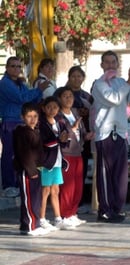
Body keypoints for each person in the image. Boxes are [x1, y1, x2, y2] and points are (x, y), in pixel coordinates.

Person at [90, 50, 130, 223]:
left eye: (113, 62)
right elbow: (115, 99)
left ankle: (117, 208)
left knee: (121, 175)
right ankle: (105, 210)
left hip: (120, 132)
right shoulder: (98, 84)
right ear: (102, 65)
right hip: (105, 133)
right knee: (106, 174)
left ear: (118, 65)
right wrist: (129, 82)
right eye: (107, 62)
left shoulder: (121, 82)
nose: (110, 65)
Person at [0, 56, 49, 197]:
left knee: (22, 154)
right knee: (10, 154)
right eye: (13, 66)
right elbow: (22, 98)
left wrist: (38, 94)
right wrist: (38, 90)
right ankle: (9, 185)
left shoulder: (21, 84)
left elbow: (30, 98)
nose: (16, 69)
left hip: (23, 121)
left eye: (18, 66)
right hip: (10, 121)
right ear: (7, 68)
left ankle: (18, 182)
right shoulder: (5, 83)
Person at [55, 87, 94, 226]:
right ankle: (65, 214)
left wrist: (87, 135)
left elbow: (81, 131)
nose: (69, 99)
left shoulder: (75, 112)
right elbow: (61, 134)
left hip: (78, 152)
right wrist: (71, 129)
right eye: (65, 96)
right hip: (66, 154)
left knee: (78, 185)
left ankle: (72, 212)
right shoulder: (58, 116)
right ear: (59, 99)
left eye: (70, 96)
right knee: (67, 186)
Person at [38, 96, 75, 230]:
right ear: (43, 108)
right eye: (49, 107)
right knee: (45, 190)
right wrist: (59, 140)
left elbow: (63, 143)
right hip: (47, 162)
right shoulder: (41, 124)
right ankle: (41, 219)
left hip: (57, 161)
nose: (52, 110)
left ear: (58, 109)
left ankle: (58, 218)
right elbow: (45, 143)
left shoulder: (59, 123)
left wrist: (65, 139)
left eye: (55, 107)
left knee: (55, 190)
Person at [13, 102, 49, 236]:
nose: (33, 119)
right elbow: (24, 154)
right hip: (28, 171)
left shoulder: (35, 131)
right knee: (29, 199)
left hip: (37, 169)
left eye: (35, 116)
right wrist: (31, 170)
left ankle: (28, 224)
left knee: (35, 198)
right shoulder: (21, 132)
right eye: (29, 116)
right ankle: (30, 225)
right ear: (23, 117)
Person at [65, 65, 95, 209]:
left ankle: (80, 199)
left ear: (83, 78)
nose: (76, 79)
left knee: (81, 169)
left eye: (79, 76)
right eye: (73, 76)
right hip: (67, 137)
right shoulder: (62, 93)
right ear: (69, 78)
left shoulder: (87, 96)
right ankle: (67, 201)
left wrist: (86, 113)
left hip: (84, 136)